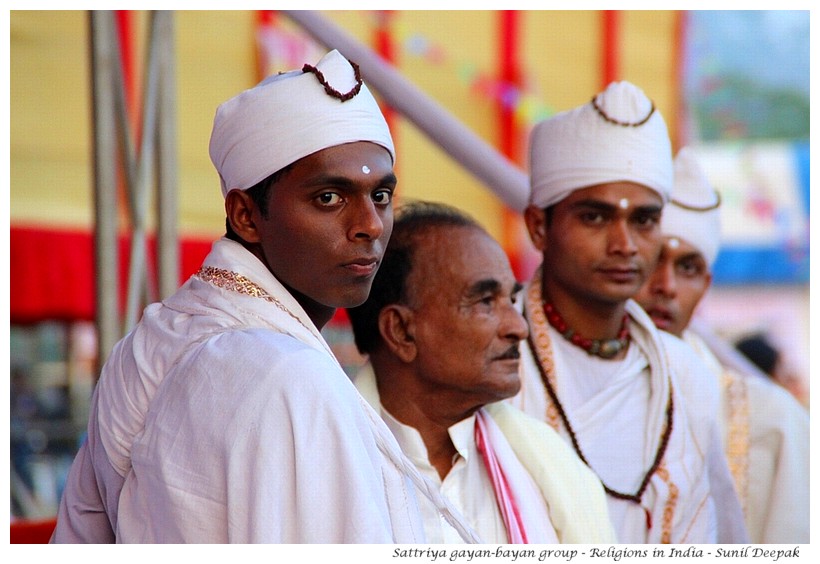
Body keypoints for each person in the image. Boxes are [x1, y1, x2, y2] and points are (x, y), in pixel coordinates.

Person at [51, 49, 477, 543]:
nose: (369, 226)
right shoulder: (291, 375)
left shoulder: (148, 342)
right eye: (329, 198)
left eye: (380, 196)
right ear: (246, 215)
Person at [510, 81, 748, 543]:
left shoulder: (686, 375)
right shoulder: (492, 359)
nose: (624, 245)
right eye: (595, 217)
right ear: (539, 227)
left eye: (644, 220)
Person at [346, 201, 616, 544]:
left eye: (512, 301)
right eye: (485, 301)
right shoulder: (328, 467)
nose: (518, 327)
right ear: (401, 331)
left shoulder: (548, 465)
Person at [634, 147, 810, 544]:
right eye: (652, 261)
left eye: (688, 268)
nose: (666, 286)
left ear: (706, 287)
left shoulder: (774, 422)